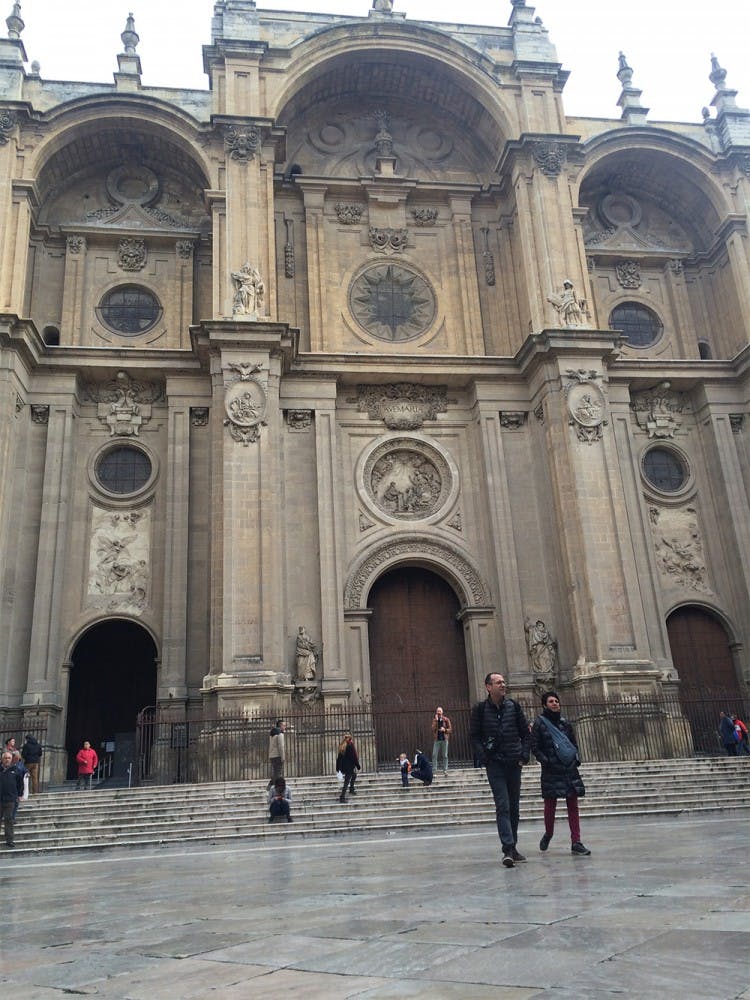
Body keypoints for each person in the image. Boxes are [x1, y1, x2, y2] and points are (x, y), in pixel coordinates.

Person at [469, 672, 530, 868]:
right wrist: (484, 757)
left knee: (514, 807)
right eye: (498, 682)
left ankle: (513, 847)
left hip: (513, 762)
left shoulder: (514, 706)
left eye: (503, 682)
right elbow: (475, 736)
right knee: (503, 804)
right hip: (495, 764)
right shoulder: (480, 709)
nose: (503, 685)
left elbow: (526, 733)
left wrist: (524, 755)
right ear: (488, 687)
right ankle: (508, 848)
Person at [531, 690, 591, 856]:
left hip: (568, 768)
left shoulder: (566, 724)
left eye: (556, 701)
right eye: (551, 701)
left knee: (573, 805)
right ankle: (548, 833)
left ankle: (576, 841)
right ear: (544, 705)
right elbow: (535, 746)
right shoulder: (540, 723)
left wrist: (575, 758)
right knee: (550, 806)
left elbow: (573, 743)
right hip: (551, 770)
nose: (555, 703)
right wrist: (546, 761)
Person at [1, 750, 23, 848]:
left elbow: (20, 784)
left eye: (9, 758)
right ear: (2, 759)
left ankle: (9, 840)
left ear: (11, 759)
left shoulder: (16, 770)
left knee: (9, 819)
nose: (7, 760)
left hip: (10, 799)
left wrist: (19, 794)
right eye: (5, 758)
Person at [336, 732, 360, 803]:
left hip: (345, 767)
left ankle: (351, 789)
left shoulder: (342, 746)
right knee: (346, 782)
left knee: (354, 775)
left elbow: (339, 758)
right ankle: (342, 797)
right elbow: (354, 757)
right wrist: (358, 765)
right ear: (350, 739)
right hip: (349, 767)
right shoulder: (350, 746)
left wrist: (338, 768)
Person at [431, 707, 452, 775]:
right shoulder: (434, 720)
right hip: (437, 740)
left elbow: (450, 729)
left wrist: (445, 730)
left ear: (442, 712)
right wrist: (436, 721)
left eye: (440, 711)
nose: (438, 712)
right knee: (434, 755)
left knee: (445, 755)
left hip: (444, 740)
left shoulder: (446, 719)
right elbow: (433, 729)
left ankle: (445, 770)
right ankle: (434, 771)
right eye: (437, 711)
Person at [267, 720, 286, 789]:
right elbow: (281, 746)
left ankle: (271, 785)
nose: (285, 727)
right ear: (280, 726)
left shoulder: (272, 733)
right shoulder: (280, 734)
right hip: (278, 755)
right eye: (284, 725)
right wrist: (283, 757)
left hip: (272, 755)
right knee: (278, 773)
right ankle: (273, 787)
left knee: (275, 772)